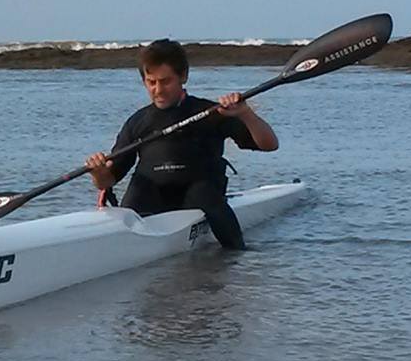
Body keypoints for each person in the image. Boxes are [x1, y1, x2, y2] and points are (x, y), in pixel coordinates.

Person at [87, 38, 277, 249]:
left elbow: (269, 144)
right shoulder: (137, 122)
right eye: (151, 82)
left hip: (199, 194)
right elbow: (107, 181)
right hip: (152, 194)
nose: (158, 90)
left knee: (202, 193)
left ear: (183, 76)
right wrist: (97, 172)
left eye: (165, 81)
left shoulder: (211, 113)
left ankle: (236, 256)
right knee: (136, 193)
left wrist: (245, 113)